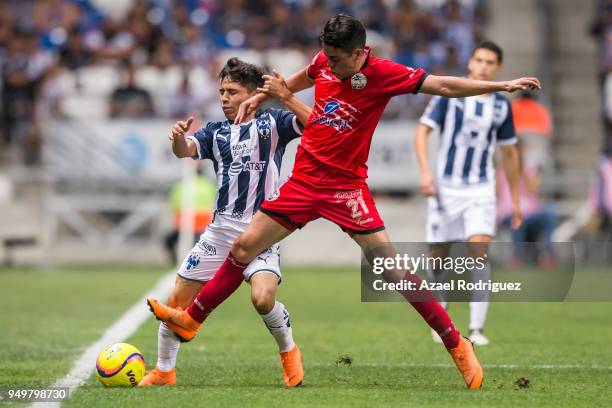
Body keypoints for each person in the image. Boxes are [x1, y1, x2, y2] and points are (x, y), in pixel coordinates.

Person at [147, 14, 540, 390]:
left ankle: (457, 343)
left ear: (359, 53)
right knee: (244, 246)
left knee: (393, 270)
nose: (330, 68)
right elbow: (299, 81)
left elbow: (445, 86)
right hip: (303, 181)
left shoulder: (384, 74)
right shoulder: (324, 61)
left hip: (346, 189)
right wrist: (263, 95)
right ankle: (192, 321)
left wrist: (501, 86)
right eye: (326, 58)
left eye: (337, 61)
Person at [139, 57, 311, 388]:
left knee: (262, 299)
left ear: (252, 93)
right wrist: (177, 138)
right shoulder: (215, 131)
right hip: (219, 233)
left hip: (261, 232)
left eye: (232, 91)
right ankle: (163, 371)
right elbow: (185, 150)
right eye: (221, 91)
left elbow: (313, 124)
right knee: (176, 302)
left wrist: (283, 95)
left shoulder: (272, 123)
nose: (224, 98)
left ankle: (289, 353)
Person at [414, 42, 522, 346]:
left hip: (480, 188)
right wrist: (425, 173)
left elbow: (510, 153)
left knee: (479, 251)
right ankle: (442, 317)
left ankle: (476, 328)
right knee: (438, 256)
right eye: (479, 60)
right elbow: (422, 132)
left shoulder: (501, 106)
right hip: (446, 188)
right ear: (470, 63)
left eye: (490, 62)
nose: (483, 66)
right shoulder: (449, 97)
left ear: (497, 68)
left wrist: (514, 200)